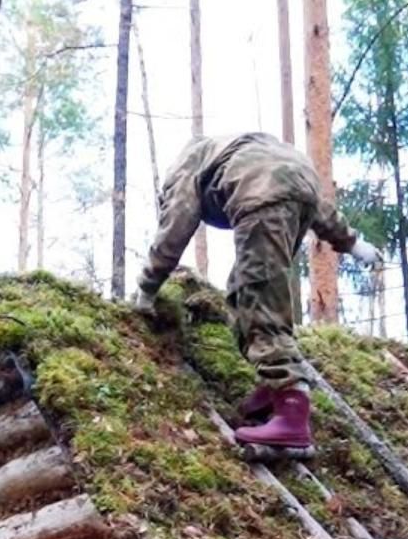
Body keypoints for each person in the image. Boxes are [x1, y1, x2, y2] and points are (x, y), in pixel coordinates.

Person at [134, 132, 384, 449]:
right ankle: (272, 381)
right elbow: (303, 193)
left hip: (262, 193)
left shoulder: (184, 169)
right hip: (300, 180)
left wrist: (147, 288)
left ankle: (292, 408)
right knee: (244, 289)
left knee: (259, 298)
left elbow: (175, 227)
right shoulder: (233, 152)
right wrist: (352, 243)